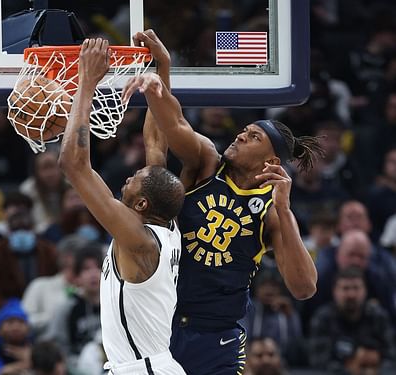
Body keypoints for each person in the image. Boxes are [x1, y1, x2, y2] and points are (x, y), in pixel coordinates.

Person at [122, 29, 321, 375]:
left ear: (271, 162)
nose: (241, 135)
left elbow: (304, 288)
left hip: (218, 336)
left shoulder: (272, 211)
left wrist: (285, 211)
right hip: (163, 319)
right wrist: (161, 73)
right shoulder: (206, 163)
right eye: (244, 130)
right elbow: (173, 124)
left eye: (253, 136)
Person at [58, 38, 186, 374]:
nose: (127, 178)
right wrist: (161, 70)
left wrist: (87, 81)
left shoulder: (139, 239)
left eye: (134, 178)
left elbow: (74, 166)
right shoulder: (164, 227)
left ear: (142, 203)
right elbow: (157, 142)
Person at [309, 267, 395, 372]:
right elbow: (318, 361)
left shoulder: (378, 316)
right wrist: (351, 368)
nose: (351, 294)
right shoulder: (323, 318)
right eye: (345, 288)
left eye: (356, 288)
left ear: (365, 291)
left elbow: (392, 356)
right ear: (334, 291)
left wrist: (376, 369)